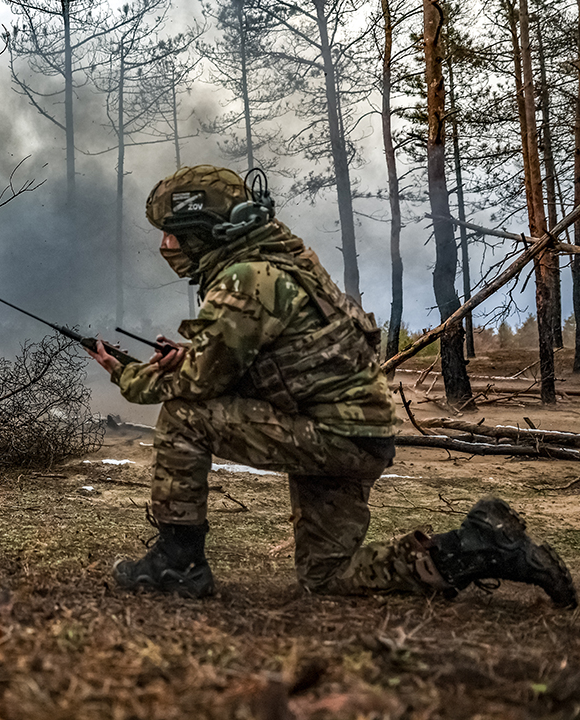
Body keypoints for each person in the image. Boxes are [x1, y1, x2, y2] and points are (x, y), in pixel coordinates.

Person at [88, 164, 576, 608]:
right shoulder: (284, 262)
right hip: (355, 434)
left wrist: (125, 372)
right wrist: (193, 359)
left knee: (184, 416)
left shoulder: (246, 277)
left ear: (207, 233)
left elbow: (196, 386)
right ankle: (480, 548)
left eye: (175, 234)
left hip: (332, 436)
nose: (165, 246)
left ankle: (179, 563)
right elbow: (273, 361)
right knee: (328, 574)